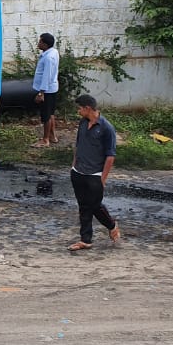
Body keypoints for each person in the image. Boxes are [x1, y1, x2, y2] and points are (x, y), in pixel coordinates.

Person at [68, 94, 121, 251]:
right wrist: (73, 165)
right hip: (78, 171)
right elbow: (78, 145)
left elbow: (110, 156)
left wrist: (102, 179)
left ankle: (111, 225)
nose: (78, 111)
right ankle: (86, 239)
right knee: (83, 206)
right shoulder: (83, 123)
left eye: (79, 108)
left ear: (87, 108)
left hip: (95, 174)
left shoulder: (106, 128)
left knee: (95, 205)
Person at [31, 32, 61, 147]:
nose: (38, 44)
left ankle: (45, 140)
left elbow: (46, 75)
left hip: (47, 90)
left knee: (46, 116)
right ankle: (52, 136)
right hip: (52, 87)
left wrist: (41, 93)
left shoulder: (48, 58)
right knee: (51, 113)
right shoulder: (53, 52)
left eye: (40, 42)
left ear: (45, 44)